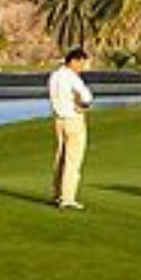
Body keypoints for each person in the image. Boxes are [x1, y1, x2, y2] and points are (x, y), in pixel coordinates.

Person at [48, 48, 95, 211]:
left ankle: (57, 194)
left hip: (58, 120)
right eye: (81, 63)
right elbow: (87, 97)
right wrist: (82, 106)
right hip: (73, 119)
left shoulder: (54, 76)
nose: (82, 67)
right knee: (73, 159)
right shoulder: (71, 77)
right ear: (74, 61)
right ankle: (67, 198)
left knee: (61, 157)